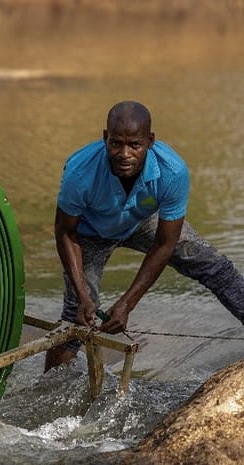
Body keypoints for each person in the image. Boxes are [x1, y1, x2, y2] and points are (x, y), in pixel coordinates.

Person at [45, 100, 244, 371]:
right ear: (105, 138)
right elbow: (65, 232)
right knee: (76, 315)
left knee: (214, 266)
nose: (124, 154)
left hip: (141, 220)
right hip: (89, 231)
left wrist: (127, 303)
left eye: (134, 145)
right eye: (116, 143)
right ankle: (49, 390)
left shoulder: (172, 171)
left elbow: (165, 243)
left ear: (150, 141)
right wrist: (82, 293)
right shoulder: (81, 172)